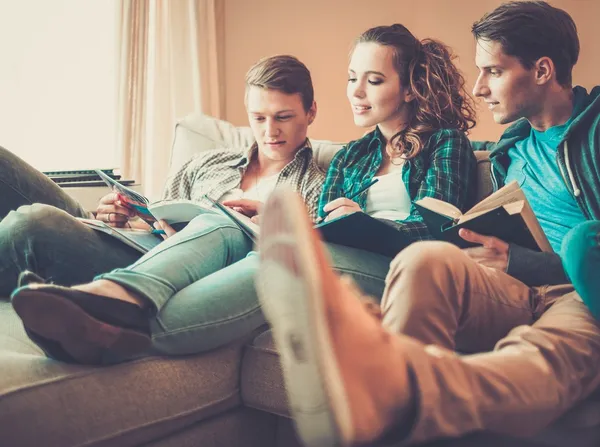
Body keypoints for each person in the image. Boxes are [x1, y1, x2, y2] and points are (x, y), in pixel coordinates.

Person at [11, 23, 477, 366]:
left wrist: (362, 220)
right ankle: (110, 297)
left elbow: (439, 231)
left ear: (410, 85)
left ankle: (111, 328)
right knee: (220, 221)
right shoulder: (353, 155)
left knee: (277, 258)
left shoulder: (445, 143)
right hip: (320, 250)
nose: (356, 91)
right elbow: (319, 220)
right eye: (353, 76)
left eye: (373, 81)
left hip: (393, 268)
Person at [254, 2, 600, 446]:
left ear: (542, 70)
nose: (479, 88)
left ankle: (397, 389)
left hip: (581, 291)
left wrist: (522, 261)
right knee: (425, 259)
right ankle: (382, 382)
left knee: (546, 354)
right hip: (512, 286)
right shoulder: (510, 147)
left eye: (492, 71)